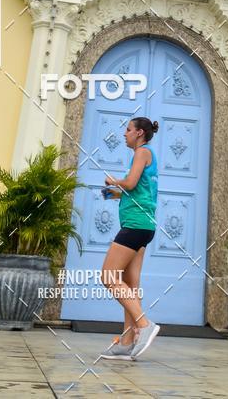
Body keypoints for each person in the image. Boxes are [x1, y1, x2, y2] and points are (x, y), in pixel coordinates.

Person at [100, 117, 160, 360]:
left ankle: (144, 326)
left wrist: (115, 181)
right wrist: (112, 191)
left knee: (108, 276)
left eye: (128, 130)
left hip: (136, 225)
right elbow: (135, 189)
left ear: (140, 133)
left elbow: (131, 182)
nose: (124, 134)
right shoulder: (144, 155)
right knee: (130, 285)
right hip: (141, 225)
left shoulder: (142, 152)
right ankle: (126, 341)